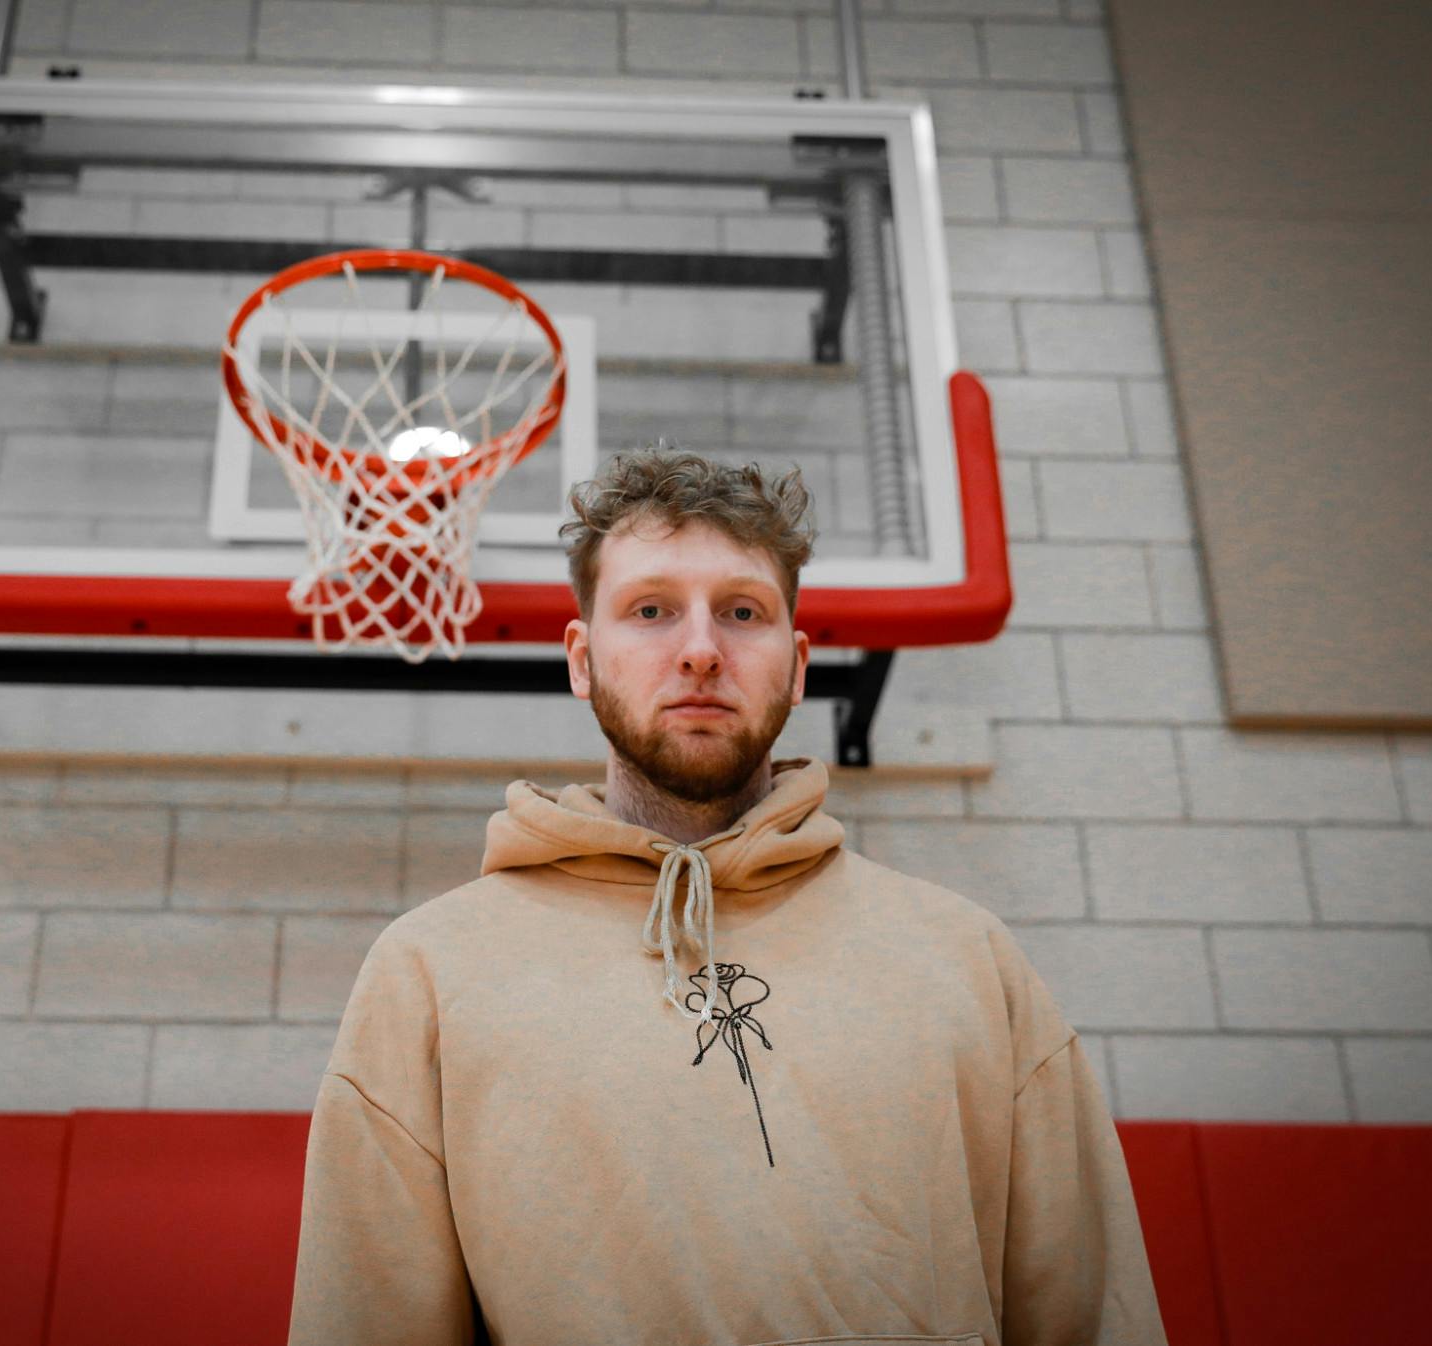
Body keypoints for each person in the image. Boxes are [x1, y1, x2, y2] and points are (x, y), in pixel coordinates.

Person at [286, 448, 1168, 1346]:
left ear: (796, 663)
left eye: (742, 612)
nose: (701, 649)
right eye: (651, 610)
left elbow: (1094, 1319)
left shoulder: (968, 956)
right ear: (582, 660)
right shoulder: (432, 970)